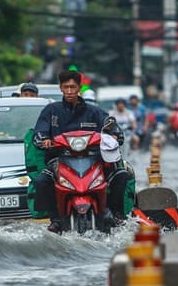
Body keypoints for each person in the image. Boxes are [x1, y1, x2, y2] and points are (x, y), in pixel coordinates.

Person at [32, 69, 128, 233]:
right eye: (66, 87)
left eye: (73, 87)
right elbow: (39, 131)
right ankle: (55, 218)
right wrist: (44, 139)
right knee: (41, 181)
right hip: (60, 160)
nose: (69, 91)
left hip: (95, 159)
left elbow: (111, 126)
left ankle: (115, 214)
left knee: (122, 175)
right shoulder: (51, 111)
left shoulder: (94, 111)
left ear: (79, 88)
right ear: (60, 88)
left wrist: (115, 134)